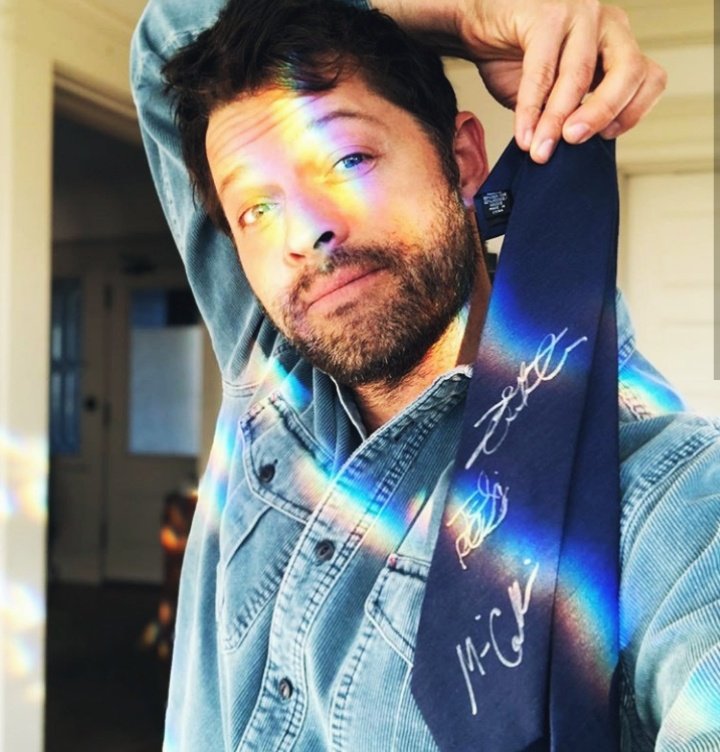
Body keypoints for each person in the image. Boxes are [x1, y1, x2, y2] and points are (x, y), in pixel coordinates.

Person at [130, 0, 720, 750]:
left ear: (465, 160)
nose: (305, 232)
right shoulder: (268, 357)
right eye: (255, 209)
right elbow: (171, 36)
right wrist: (461, 16)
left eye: (348, 160)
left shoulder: (652, 492)